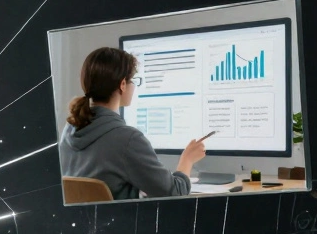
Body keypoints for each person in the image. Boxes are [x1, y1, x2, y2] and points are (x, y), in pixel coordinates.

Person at [59, 47, 207, 200]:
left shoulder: (69, 130)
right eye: (133, 81)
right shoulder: (128, 139)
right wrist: (187, 160)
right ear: (122, 84)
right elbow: (175, 194)